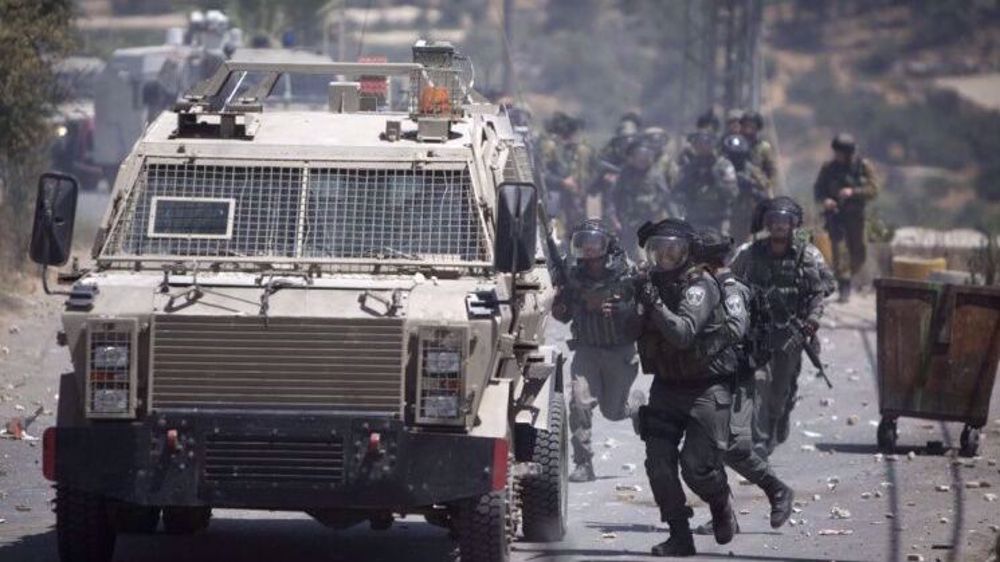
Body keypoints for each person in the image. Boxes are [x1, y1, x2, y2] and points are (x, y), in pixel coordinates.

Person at [634, 218, 739, 556]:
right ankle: (680, 535)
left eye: (672, 250)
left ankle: (721, 503)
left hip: (706, 389)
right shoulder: (649, 283)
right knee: (658, 464)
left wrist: (652, 302)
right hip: (666, 386)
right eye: (658, 250)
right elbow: (627, 330)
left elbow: (681, 334)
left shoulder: (700, 286)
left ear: (687, 253)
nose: (664, 257)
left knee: (696, 469)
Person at [689, 228, 795, 537]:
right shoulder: (705, 285)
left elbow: (734, 330)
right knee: (704, 450)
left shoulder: (731, 289)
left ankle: (777, 490)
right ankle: (723, 514)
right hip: (709, 379)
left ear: (705, 260)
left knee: (733, 446)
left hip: (737, 378)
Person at [730, 197, 835, 458]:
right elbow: (731, 282)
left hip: (792, 334)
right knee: (758, 383)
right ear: (767, 223)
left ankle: (779, 417)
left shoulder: (807, 254)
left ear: (793, 224)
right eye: (774, 221)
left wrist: (810, 322)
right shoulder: (750, 253)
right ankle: (760, 438)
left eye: (784, 222)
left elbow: (821, 290)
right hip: (759, 332)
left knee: (781, 389)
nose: (779, 227)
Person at [551, 220, 646, 483]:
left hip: (620, 351)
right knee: (579, 403)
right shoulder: (572, 275)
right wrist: (559, 308)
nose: (590, 250)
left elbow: (644, 310)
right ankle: (584, 464)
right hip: (587, 351)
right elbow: (564, 313)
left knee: (613, 412)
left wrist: (622, 309)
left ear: (607, 246)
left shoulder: (626, 274)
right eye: (585, 243)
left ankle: (636, 408)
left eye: (595, 244)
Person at [812, 132, 879, 302]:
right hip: (837, 216)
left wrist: (853, 192)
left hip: (856, 216)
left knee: (860, 252)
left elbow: (873, 190)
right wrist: (826, 200)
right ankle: (844, 285)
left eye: (840, 153)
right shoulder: (828, 168)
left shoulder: (863, 167)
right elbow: (818, 190)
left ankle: (848, 276)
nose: (837, 156)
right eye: (836, 153)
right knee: (839, 250)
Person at [606, 139, 669, 258]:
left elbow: (665, 196)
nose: (643, 159)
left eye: (646, 155)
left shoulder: (656, 174)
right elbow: (612, 199)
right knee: (626, 255)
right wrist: (614, 220)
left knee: (651, 256)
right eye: (639, 155)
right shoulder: (624, 174)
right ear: (632, 157)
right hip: (627, 223)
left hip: (650, 222)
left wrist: (657, 211)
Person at [671, 131, 738, 235]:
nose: (702, 147)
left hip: (719, 219)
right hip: (694, 219)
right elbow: (676, 193)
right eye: (698, 144)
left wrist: (716, 180)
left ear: (713, 145)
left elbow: (732, 194)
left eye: (706, 143)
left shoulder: (723, 166)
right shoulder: (688, 168)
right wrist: (686, 193)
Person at [539, 112, 594, 235]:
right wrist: (562, 182)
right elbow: (541, 174)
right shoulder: (551, 147)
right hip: (556, 200)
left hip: (576, 202)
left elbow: (591, 173)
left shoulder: (580, 150)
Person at [721, 133, 771, 243]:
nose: (735, 159)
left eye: (738, 155)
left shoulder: (751, 169)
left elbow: (764, 187)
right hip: (723, 214)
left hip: (746, 214)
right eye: (732, 155)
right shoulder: (720, 167)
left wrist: (751, 185)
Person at [740, 111, 778, 186]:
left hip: (756, 184)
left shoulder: (763, 147)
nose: (748, 129)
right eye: (745, 126)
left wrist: (767, 184)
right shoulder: (735, 143)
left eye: (751, 126)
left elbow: (771, 170)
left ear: (757, 128)